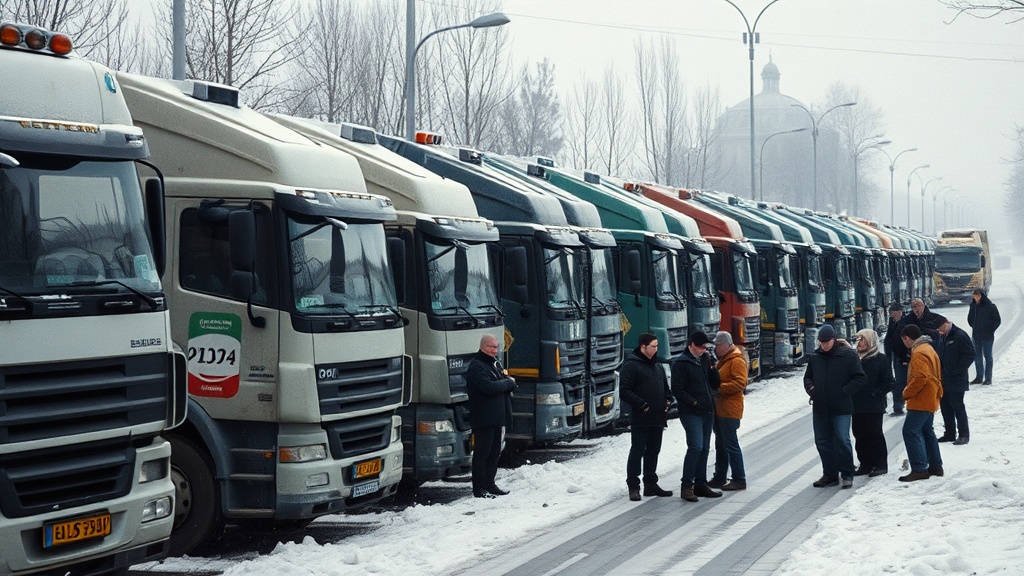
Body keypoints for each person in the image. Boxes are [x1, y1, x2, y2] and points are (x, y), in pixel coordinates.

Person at [803, 324, 865, 489]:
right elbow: (808, 377)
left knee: (842, 439)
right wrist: (811, 389)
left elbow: (859, 378)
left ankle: (847, 473)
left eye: (827, 341)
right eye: (821, 342)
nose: (824, 345)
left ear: (834, 339)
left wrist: (844, 391)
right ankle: (830, 474)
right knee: (822, 441)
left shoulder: (848, 356)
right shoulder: (816, 358)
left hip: (841, 407)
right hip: (821, 407)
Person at [619, 333, 673, 501]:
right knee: (637, 450)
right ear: (643, 346)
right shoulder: (631, 365)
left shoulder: (657, 366)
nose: (656, 349)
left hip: (657, 417)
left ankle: (650, 483)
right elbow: (625, 391)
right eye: (653, 346)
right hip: (641, 417)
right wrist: (641, 404)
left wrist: (668, 400)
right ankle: (633, 486)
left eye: (657, 346)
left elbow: (665, 388)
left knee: (653, 450)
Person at [671, 330, 722, 502]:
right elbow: (677, 389)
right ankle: (686, 485)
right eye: (700, 347)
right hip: (692, 412)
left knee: (705, 448)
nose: (703, 350)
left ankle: (700, 483)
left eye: (705, 347)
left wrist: (712, 366)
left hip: (707, 411)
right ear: (691, 345)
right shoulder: (681, 363)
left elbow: (716, 383)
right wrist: (693, 403)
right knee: (696, 447)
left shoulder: (703, 361)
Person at [466, 334, 516, 498]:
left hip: (496, 418)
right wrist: (508, 383)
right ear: (483, 347)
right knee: (482, 454)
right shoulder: (477, 366)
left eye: (496, 347)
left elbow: (500, 381)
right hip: (484, 419)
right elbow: (488, 387)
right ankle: (479, 489)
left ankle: (490, 484)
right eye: (492, 347)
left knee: (494, 453)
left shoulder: (494, 364)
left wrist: (506, 382)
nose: (495, 350)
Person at [899, 324, 944, 482]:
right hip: (931, 397)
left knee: (910, 431)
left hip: (921, 399)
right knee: (927, 431)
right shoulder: (928, 348)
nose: (905, 344)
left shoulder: (918, 352)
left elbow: (920, 377)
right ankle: (935, 465)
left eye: (904, 340)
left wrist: (907, 393)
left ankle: (919, 468)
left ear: (908, 338)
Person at [708, 331, 748, 491]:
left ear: (725, 345)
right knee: (721, 444)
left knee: (731, 444)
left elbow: (740, 383)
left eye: (717, 346)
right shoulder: (724, 359)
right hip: (721, 409)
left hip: (730, 410)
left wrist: (718, 389)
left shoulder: (736, 361)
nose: (716, 349)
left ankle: (739, 479)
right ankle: (719, 477)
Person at [852, 329, 894, 477]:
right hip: (856, 404)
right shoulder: (855, 358)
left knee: (874, 434)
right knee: (859, 433)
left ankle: (880, 464)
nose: (859, 342)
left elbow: (889, 381)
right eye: (858, 339)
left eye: (862, 339)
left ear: (870, 341)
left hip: (873, 404)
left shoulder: (880, 359)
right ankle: (865, 464)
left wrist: (877, 392)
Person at [935, 316, 975, 446]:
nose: (940, 332)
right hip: (944, 378)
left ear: (946, 323)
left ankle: (963, 434)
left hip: (957, 378)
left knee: (957, 406)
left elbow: (970, 354)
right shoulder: (943, 336)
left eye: (940, 328)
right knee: (945, 406)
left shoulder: (959, 335)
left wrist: (958, 369)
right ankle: (950, 433)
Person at [967, 288, 1001, 385]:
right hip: (976, 335)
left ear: (981, 296)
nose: (976, 297)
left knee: (988, 356)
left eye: (977, 295)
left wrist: (990, 330)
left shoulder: (990, 306)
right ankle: (979, 376)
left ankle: (988, 378)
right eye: (974, 295)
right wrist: (974, 325)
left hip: (987, 336)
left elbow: (997, 320)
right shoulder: (973, 306)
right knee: (977, 356)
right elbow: (970, 319)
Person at [884, 302, 910, 416]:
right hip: (894, 356)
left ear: (899, 312)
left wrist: (905, 357)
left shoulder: (904, 324)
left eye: (892, 312)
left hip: (902, 358)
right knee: (896, 381)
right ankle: (898, 405)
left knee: (900, 382)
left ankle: (899, 406)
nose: (890, 314)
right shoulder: (893, 322)